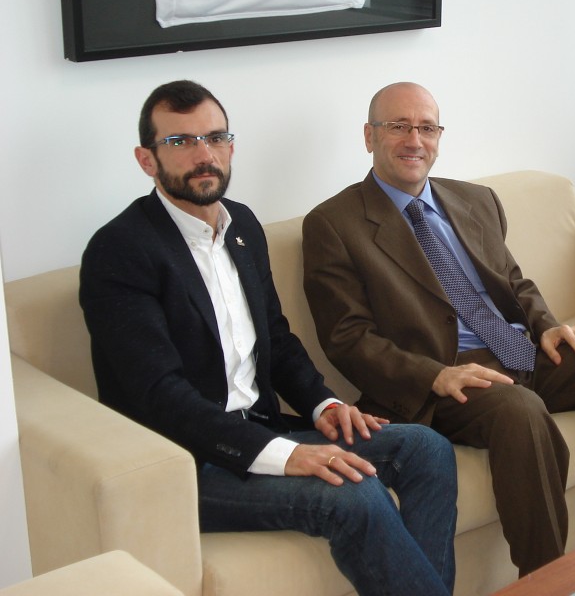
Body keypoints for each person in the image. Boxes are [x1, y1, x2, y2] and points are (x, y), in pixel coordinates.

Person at [301, 81, 575, 576]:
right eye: (398, 126)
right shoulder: (334, 224)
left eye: (427, 128)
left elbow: (512, 280)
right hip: (445, 378)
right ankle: (548, 578)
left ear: (439, 137)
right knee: (520, 410)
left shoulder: (476, 200)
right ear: (369, 136)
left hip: (520, 349)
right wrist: (434, 375)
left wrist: (547, 325)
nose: (414, 140)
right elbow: (348, 338)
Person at [79, 80, 457, 596]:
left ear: (231, 147)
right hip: (189, 461)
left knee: (427, 450)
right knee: (353, 493)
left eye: (216, 138)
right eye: (181, 142)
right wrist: (284, 455)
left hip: (264, 428)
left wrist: (324, 404)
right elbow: (159, 396)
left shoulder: (241, 226)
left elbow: (275, 337)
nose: (204, 155)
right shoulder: (120, 251)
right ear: (147, 160)